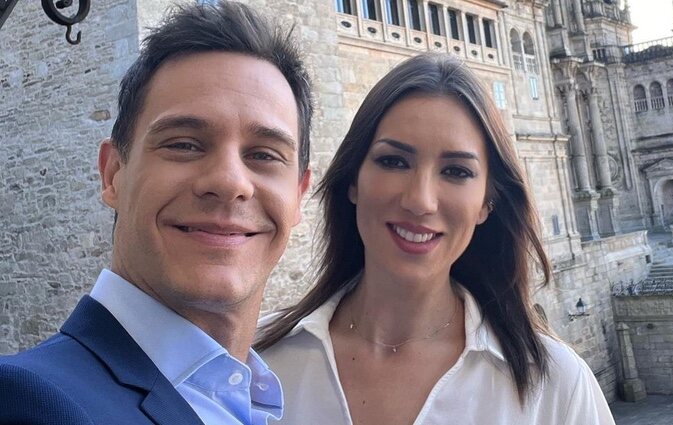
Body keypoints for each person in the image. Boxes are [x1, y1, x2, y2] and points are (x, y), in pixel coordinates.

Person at [255, 53, 614, 424]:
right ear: (353, 181)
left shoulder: (557, 386)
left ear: (487, 203)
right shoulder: (253, 360)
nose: (420, 200)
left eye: (456, 171)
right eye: (394, 162)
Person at [0, 2, 312, 424]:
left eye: (263, 154)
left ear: (298, 195)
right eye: (184, 144)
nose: (230, 182)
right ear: (113, 175)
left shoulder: (270, 400)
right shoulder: (29, 403)